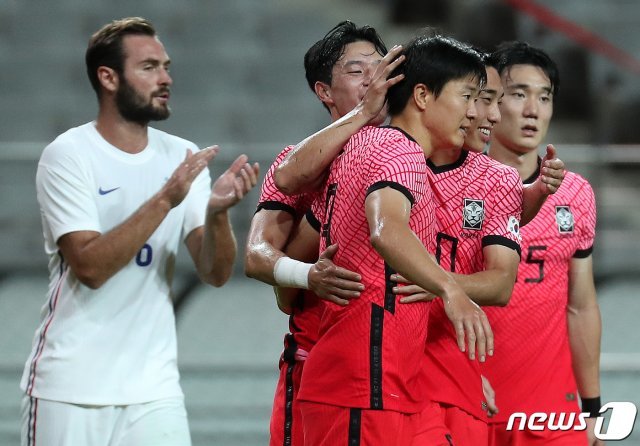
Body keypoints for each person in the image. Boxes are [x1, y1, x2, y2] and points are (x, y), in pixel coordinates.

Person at [20, 17, 259, 446]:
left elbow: (215, 272)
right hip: (71, 388)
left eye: (166, 66)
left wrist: (218, 213)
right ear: (108, 78)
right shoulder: (69, 155)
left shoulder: (182, 156)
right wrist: (166, 199)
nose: (165, 78)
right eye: (149, 67)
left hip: (154, 389)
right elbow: (90, 266)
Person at [292, 34, 493, 446]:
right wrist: (451, 289)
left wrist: (293, 284)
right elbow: (387, 230)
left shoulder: (365, 144)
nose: (474, 113)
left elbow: (295, 253)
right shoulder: (396, 148)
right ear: (422, 95)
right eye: (466, 96)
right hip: (361, 387)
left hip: (370, 385)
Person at [244, 21, 404, 446]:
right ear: (324, 91)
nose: (373, 78)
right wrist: (306, 277)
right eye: (356, 70)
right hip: (318, 366)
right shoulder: (295, 165)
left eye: (378, 65)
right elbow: (257, 255)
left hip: (401, 370)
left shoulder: (412, 158)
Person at [482, 41, 602, 446]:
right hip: (470, 406)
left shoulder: (576, 194)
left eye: (544, 96)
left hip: (553, 416)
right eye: (518, 94)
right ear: (490, 102)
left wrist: (592, 410)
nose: (533, 109)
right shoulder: (455, 187)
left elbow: (581, 306)